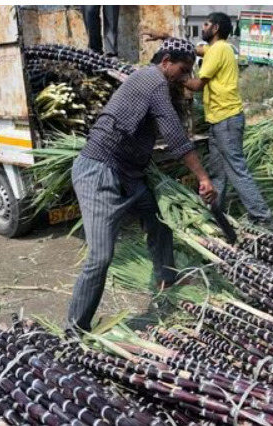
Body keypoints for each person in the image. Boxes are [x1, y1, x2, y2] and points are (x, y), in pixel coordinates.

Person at [67, 38, 217, 332]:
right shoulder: (153, 81)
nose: (186, 78)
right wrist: (203, 177)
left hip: (126, 175)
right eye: (183, 70)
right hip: (99, 173)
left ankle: (166, 278)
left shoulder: (150, 80)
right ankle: (74, 329)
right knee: (101, 256)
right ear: (166, 62)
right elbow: (174, 135)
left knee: (158, 217)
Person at [144, 13, 273, 233]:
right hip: (219, 119)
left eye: (206, 24)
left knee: (236, 169)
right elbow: (194, 50)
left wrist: (173, 76)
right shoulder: (219, 49)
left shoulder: (218, 50)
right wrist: (164, 36)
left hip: (226, 118)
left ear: (215, 28)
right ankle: (216, 213)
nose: (203, 28)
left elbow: (197, 85)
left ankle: (263, 217)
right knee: (217, 171)